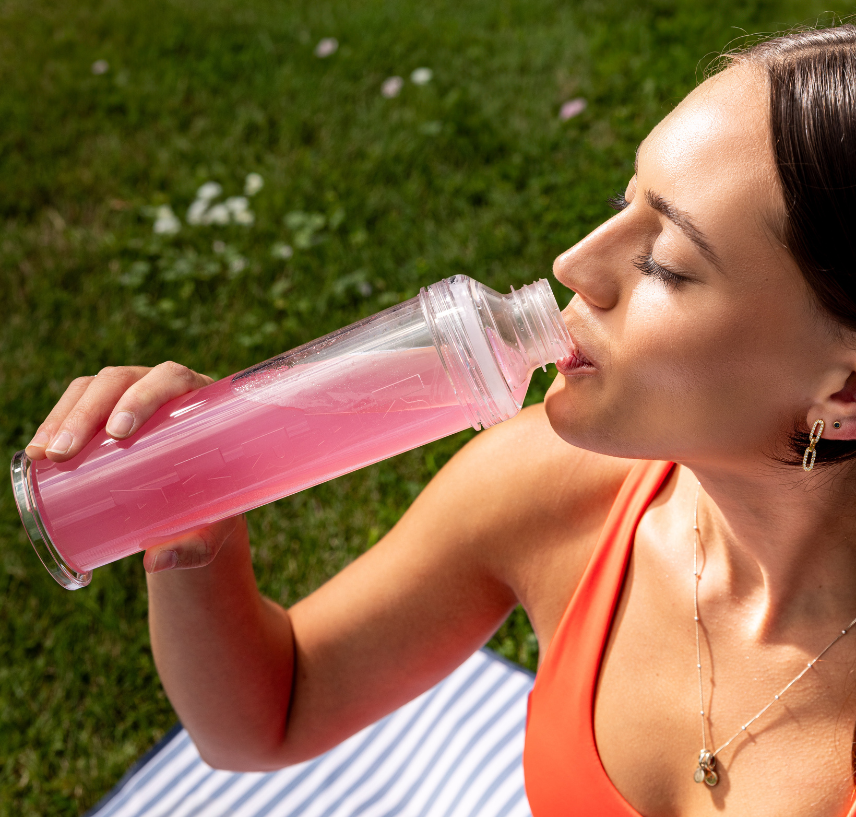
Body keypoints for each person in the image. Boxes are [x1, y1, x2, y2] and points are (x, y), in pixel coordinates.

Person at [23, 24, 856, 817]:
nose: (574, 264)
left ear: (845, 391)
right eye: (623, 199)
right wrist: (190, 516)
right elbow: (270, 713)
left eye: (667, 263)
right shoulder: (555, 490)